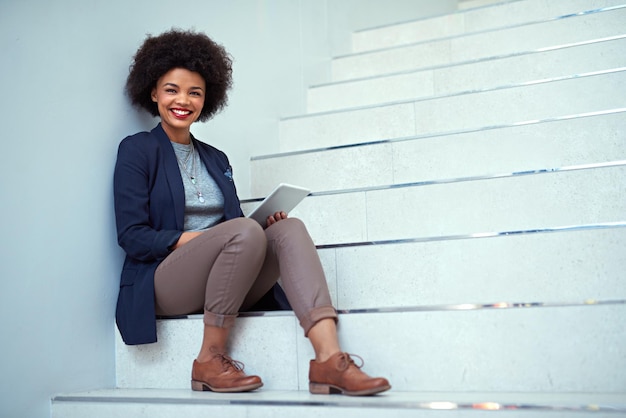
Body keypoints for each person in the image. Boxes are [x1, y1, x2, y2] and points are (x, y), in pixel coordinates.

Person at [113, 28, 390, 396]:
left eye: (194, 92)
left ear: (207, 98)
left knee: (287, 230)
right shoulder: (138, 150)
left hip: (223, 276)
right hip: (164, 281)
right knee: (244, 231)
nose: (183, 100)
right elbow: (132, 236)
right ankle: (209, 359)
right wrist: (191, 239)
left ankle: (329, 360)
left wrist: (264, 227)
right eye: (172, 90)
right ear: (153, 92)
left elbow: (233, 229)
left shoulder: (216, 158)